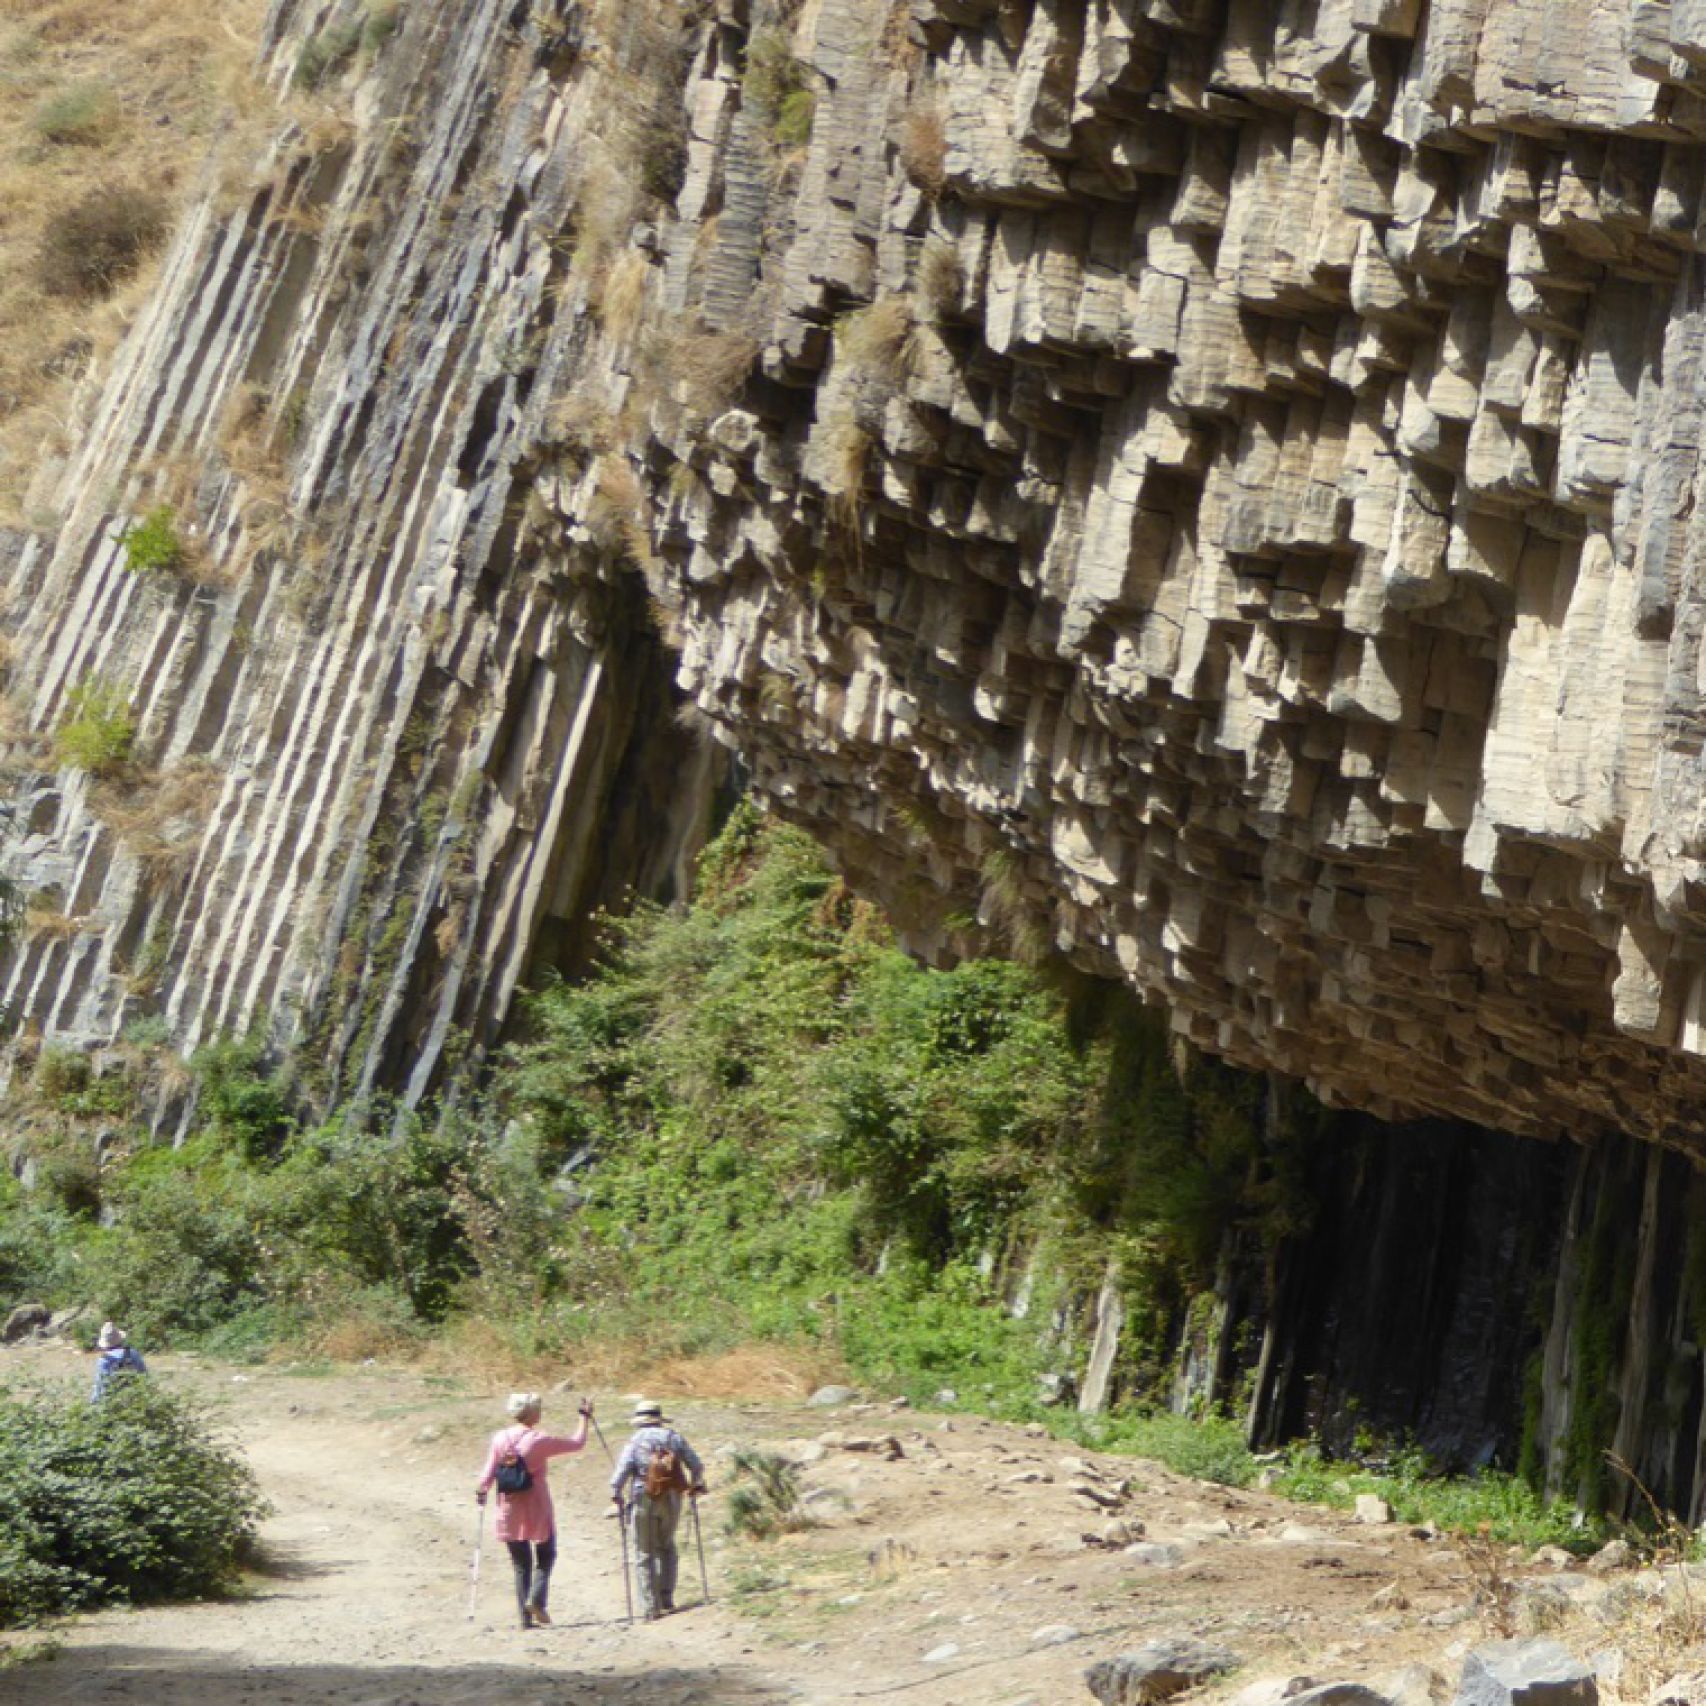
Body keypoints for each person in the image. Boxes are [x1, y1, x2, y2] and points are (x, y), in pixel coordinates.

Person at [475, 1391, 593, 1629]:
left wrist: (482, 1490)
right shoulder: (538, 1440)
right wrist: (584, 1417)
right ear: (530, 1413)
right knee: (546, 1553)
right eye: (537, 1409)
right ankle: (536, 1599)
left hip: (509, 1504)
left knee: (520, 1563)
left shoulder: (500, 1438)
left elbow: (488, 1471)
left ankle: (524, 1619)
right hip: (536, 1503)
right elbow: (577, 1443)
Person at [610, 1399, 706, 1619]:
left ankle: (649, 1607)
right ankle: (666, 1597)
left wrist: (616, 1493)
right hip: (672, 1496)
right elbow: (697, 1465)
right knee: (667, 1545)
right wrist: (696, 1483)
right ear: (659, 1419)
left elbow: (620, 1474)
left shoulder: (634, 1442)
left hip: (643, 1496)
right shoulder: (674, 1438)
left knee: (644, 1552)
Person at [89, 1322, 146, 1402]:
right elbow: (144, 1375)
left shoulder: (103, 1360)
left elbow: (100, 1386)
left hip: (113, 1402)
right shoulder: (133, 1353)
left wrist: (93, 1403)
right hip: (134, 1398)